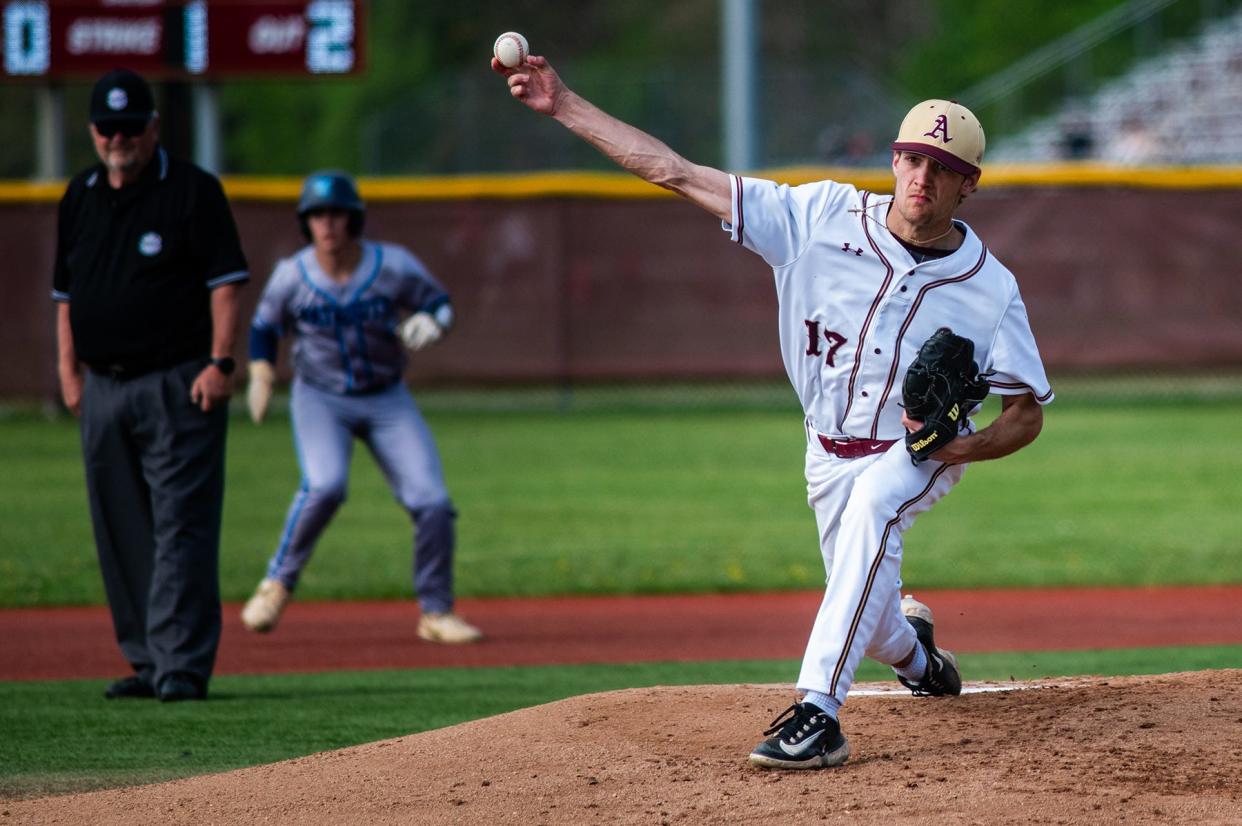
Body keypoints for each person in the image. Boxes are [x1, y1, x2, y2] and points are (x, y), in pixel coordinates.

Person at [494, 56, 1052, 768]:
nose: (922, 177)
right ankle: (920, 661)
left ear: (968, 184)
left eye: (942, 167)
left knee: (879, 503)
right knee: (871, 614)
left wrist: (954, 450)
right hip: (825, 450)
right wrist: (565, 103)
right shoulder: (817, 217)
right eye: (913, 158)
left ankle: (817, 715)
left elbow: (1026, 413)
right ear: (893, 160)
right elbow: (676, 172)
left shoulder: (990, 290)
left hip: (911, 454)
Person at [53, 68, 249, 702]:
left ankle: (182, 665)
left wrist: (220, 364)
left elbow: (226, 284)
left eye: (130, 127)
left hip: (178, 382)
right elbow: (66, 296)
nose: (119, 139)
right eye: (108, 128)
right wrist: (69, 373)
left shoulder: (191, 190)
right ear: (92, 131)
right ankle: (145, 658)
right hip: (103, 388)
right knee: (121, 524)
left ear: (153, 128)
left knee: (181, 523)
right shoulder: (79, 194)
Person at [239, 170, 482, 645]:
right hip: (321, 397)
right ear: (304, 223)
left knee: (432, 502)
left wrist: (435, 322)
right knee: (325, 486)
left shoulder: (391, 265)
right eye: (317, 216)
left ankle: (436, 612)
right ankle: (276, 585)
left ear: (355, 220)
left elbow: (440, 303)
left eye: (337, 215)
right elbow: (264, 327)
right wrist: (261, 372)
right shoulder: (293, 274)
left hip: (385, 395)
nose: (328, 225)